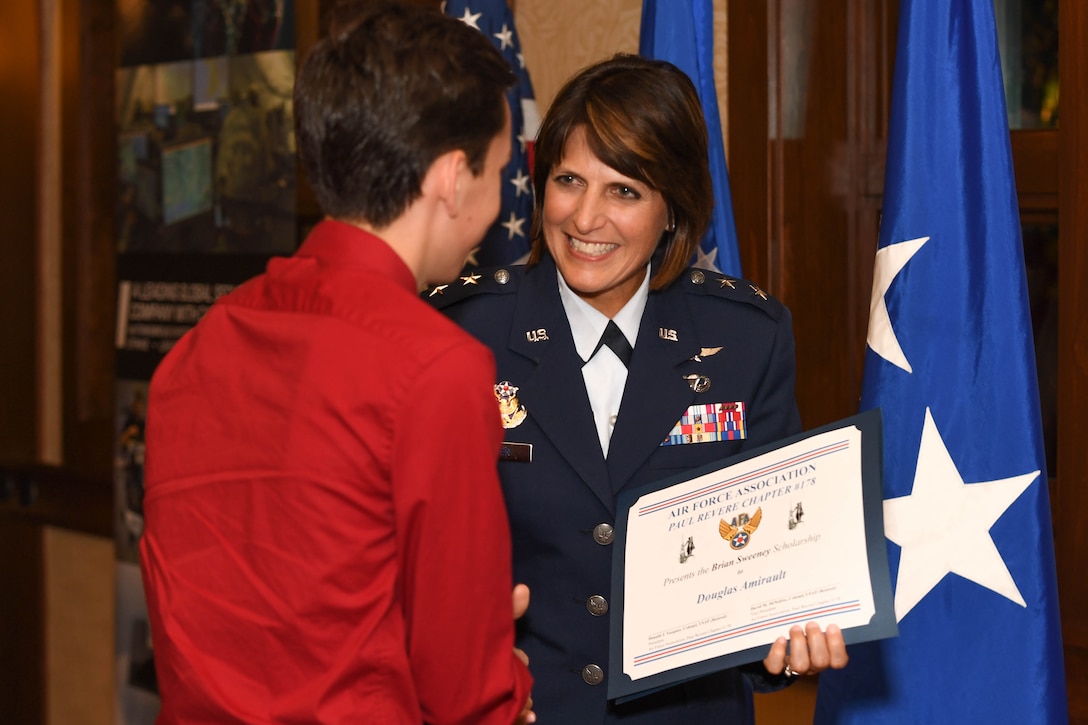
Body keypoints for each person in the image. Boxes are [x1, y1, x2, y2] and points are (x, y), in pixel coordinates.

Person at [139, 2, 534, 722]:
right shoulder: (436, 368)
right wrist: (500, 663)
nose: (498, 201)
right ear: (452, 178)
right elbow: (465, 696)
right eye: (502, 172)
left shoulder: (194, 351)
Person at [428, 53, 848, 722]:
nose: (585, 218)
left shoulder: (746, 338)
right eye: (568, 180)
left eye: (623, 190)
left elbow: (767, 585)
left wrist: (790, 649)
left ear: (674, 208)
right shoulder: (462, 334)